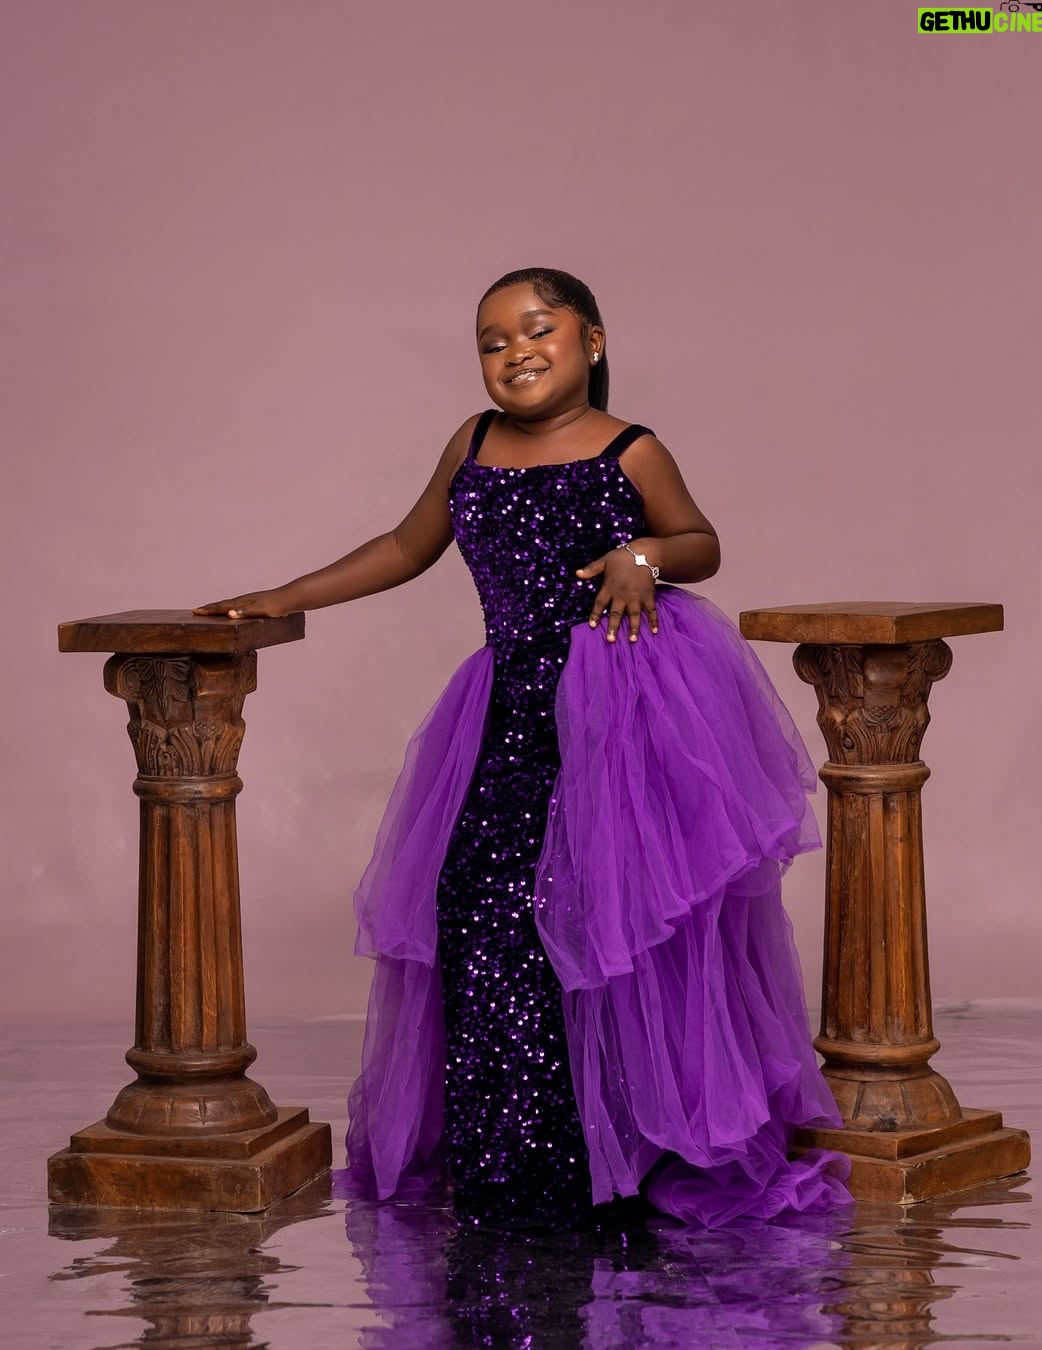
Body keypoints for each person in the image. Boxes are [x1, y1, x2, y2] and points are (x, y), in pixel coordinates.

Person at [194, 267, 851, 1232]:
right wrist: (286, 596)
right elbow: (406, 544)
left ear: (591, 340)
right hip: (509, 705)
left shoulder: (631, 447)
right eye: (492, 342)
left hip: (622, 707)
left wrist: (642, 555)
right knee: (480, 907)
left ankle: (621, 1152)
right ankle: (512, 1157)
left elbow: (699, 541)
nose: (515, 353)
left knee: (608, 918)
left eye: (537, 330)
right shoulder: (472, 441)